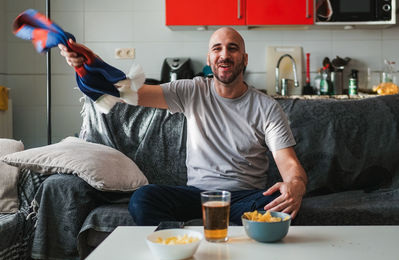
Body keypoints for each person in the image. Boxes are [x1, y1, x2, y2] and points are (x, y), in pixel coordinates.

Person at [59, 27, 307, 226]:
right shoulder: (192, 90)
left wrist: (295, 184)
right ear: (210, 58)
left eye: (233, 48)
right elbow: (131, 92)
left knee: (280, 203)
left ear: (244, 59)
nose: (225, 54)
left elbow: (289, 164)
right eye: (217, 48)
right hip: (197, 195)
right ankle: (179, 240)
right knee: (144, 198)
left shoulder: (266, 107)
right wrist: (89, 63)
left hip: (244, 197)